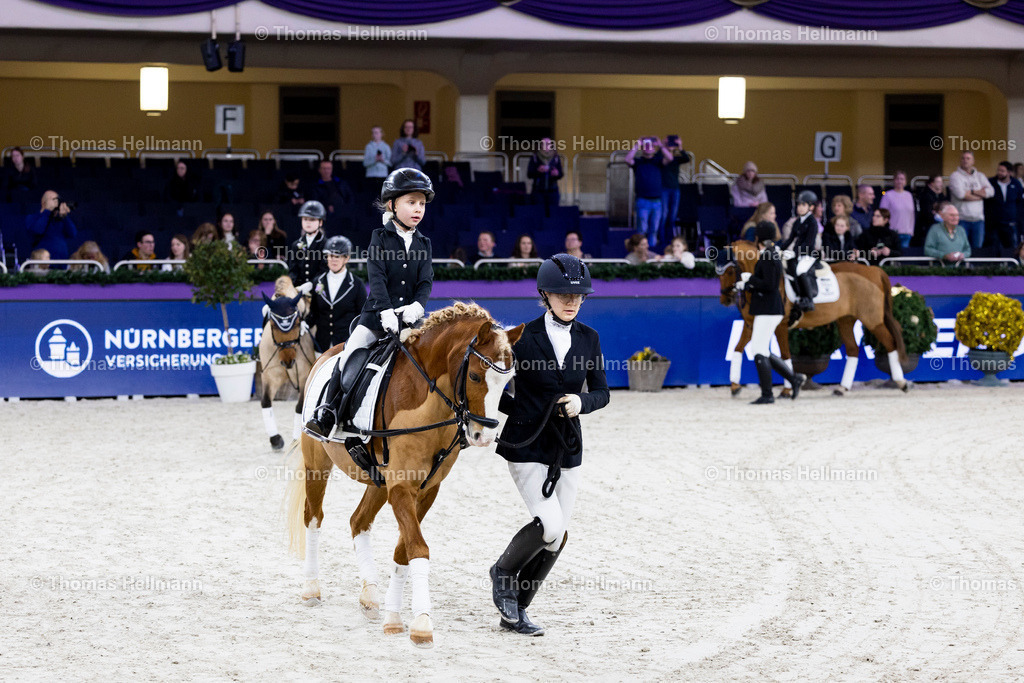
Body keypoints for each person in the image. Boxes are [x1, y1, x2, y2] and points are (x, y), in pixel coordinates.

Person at [490, 254, 609, 636]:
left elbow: (602, 392)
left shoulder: (590, 338)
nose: (571, 301)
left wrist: (582, 402)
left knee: (558, 536)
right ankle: (503, 572)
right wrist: (520, 411)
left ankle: (517, 609)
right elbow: (495, 389)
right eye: (562, 294)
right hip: (526, 444)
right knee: (549, 525)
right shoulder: (521, 337)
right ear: (545, 294)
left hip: (568, 446)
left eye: (578, 295)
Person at [304, 168, 434, 441]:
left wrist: (418, 306)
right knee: (350, 353)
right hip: (377, 317)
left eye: (421, 203)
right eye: (411, 202)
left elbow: (425, 282)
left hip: (411, 318)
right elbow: (377, 278)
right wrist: (385, 311)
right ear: (392, 204)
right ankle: (328, 412)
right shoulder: (379, 237)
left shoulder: (424, 243)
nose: (418, 209)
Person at [734, 222, 806, 405]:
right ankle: (793, 378)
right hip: (768, 308)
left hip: (768, 309)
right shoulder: (771, 253)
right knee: (762, 349)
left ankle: (767, 394)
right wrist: (748, 284)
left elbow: (770, 285)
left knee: (758, 350)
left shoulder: (768, 256)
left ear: (758, 237)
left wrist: (750, 280)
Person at [308, 235, 367, 352]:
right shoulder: (318, 281)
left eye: (338, 256)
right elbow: (314, 312)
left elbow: (362, 315)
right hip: (322, 344)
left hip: (346, 345)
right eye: (330, 256)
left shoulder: (356, 284)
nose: (333, 260)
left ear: (346, 258)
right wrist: (303, 325)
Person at [778, 189, 819, 323]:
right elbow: (790, 239)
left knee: (801, 270)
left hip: (808, 254)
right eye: (799, 205)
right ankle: (796, 296)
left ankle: (808, 299)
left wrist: (795, 252)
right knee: (789, 267)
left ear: (811, 207)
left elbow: (809, 242)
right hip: (797, 253)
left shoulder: (812, 222)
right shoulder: (797, 221)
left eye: (803, 205)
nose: (800, 207)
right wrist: (779, 248)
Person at [625, 137, 671, 248]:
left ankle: (652, 252)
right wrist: (637, 145)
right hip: (642, 200)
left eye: (650, 145)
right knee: (642, 230)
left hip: (657, 201)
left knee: (654, 229)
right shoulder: (638, 162)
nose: (648, 147)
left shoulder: (658, 161)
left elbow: (669, 158)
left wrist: (660, 145)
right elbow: (627, 160)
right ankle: (641, 251)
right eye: (646, 145)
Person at [949, 151, 993, 250]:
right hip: (961, 220)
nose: (965, 161)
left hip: (978, 220)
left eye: (968, 158)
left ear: (973, 161)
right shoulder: (955, 176)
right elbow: (960, 194)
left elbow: (991, 192)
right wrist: (980, 194)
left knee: (977, 249)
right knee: (960, 248)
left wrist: (970, 192)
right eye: (963, 158)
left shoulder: (980, 176)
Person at [26, 190, 77, 262]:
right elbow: (38, 230)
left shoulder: (60, 220)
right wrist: (47, 211)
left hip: (61, 263)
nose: (56, 202)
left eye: (58, 200)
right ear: (44, 202)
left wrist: (64, 216)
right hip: (42, 264)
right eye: (53, 200)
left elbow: (73, 234)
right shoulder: (33, 217)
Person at [288, 200, 328, 288]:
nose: (308, 222)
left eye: (312, 219)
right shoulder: (296, 244)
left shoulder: (325, 244)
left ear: (320, 222)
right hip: (299, 289)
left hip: (318, 289)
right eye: (305, 219)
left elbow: (324, 270)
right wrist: (293, 287)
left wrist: (311, 285)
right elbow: (293, 270)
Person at [986, 160, 1023, 249]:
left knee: (1012, 248)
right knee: (994, 248)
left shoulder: (1016, 184)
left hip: (1011, 223)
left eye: (1002, 171)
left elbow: (1019, 202)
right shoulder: (991, 182)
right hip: (994, 224)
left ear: (1009, 172)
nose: (999, 173)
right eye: (998, 170)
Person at [660, 136, 691, 238]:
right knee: (664, 215)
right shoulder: (661, 158)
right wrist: (663, 146)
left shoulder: (676, 159)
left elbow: (686, 159)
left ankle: (670, 238)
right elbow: (658, 156)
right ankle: (662, 238)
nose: (671, 145)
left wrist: (680, 146)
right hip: (664, 189)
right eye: (670, 143)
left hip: (675, 189)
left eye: (673, 144)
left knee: (673, 216)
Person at [879, 171, 915, 248]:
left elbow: (912, 214)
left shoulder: (909, 195)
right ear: (894, 181)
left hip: (907, 233)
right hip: (893, 233)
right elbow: (882, 214)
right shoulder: (887, 195)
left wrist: (911, 231)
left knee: (904, 257)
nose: (899, 181)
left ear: (905, 181)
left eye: (902, 179)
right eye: (897, 179)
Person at [527, 138, 563, 210]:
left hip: (553, 190)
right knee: (538, 211)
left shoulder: (555, 157)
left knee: (553, 211)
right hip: (538, 190)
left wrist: (556, 173)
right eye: (544, 144)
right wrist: (538, 171)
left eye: (548, 144)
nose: (546, 145)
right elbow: (529, 174)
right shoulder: (535, 157)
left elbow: (560, 174)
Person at [914, 175, 949, 247]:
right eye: (938, 182)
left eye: (941, 182)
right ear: (932, 183)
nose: (941, 184)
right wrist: (937, 214)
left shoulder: (940, 195)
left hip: (938, 228)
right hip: (926, 228)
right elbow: (927, 213)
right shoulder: (925, 194)